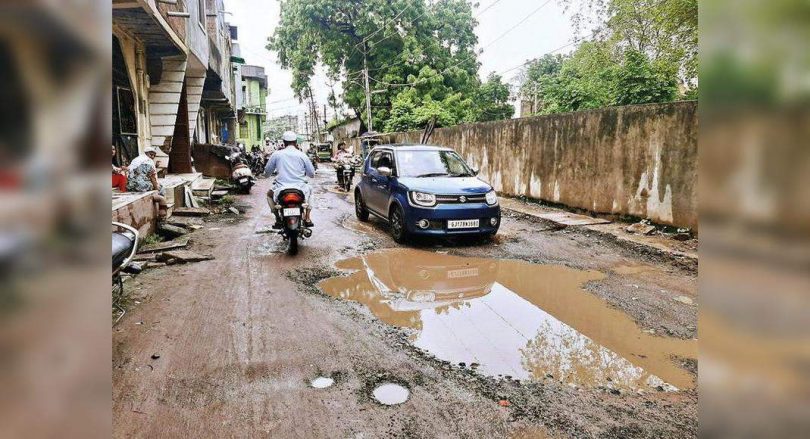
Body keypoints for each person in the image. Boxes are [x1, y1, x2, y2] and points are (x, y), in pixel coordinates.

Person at [264, 131, 315, 228]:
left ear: (284, 142)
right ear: (296, 142)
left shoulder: (277, 154)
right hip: (301, 188)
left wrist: (267, 174)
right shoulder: (302, 155)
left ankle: (277, 218)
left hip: (281, 189)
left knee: (269, 195)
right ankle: (308, 218)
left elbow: (267, 173)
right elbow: (311, 174)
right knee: (311, 192)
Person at [127, 146, 168, 218]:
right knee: (161, 188)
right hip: (141, 186)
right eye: (151, 154)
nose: (152, 157)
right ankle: (162, 209)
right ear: (146, 153)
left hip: (130, 185)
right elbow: (153, 177)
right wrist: (157, 188)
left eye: (154, 155)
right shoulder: (149, 161)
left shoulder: (136, 159)